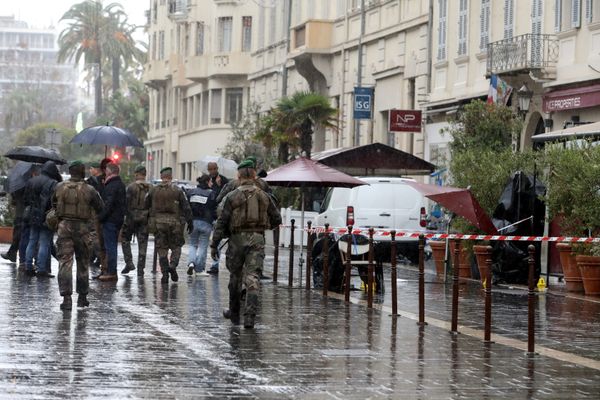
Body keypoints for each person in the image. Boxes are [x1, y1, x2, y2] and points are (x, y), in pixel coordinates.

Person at [210, 160, 282, 329]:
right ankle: (249, 316)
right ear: (254, 175)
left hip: (236, 240)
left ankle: (234, 313)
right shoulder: (264, 196)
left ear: (239, 176)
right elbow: (277, 219)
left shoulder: (232, 195)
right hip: (257, 239)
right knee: (253, 277)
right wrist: (261, 228)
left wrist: (215, 244)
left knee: (235, 277)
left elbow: (222, 221)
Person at [52, 160, 104, 310]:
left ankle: (66, 298)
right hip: (83, 229)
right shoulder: (90, 189)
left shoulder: (59, 187)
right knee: (83, 264)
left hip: (64, 228)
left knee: (65, 263)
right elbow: (100, 207)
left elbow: (53, 205)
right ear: (82, 172)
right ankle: (82, 298)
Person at [145, 167, 193, 284]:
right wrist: (190, 222)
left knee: (162, 249)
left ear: (162, 177)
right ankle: (173, 265)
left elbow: (146, 204)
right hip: (175, 224)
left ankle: (165, 273)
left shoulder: (154, 190)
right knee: (176, 247)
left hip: (158, 223)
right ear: (171, 177)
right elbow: (186, 207)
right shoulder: (177, 190)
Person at [24, 161, 62, 277]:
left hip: (33, 216)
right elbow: (56, 202)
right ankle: (41, 269)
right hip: (47, 217)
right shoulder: (54, 183)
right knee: (44, 243)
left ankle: (28, 267)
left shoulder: (31, 181)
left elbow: (26, 199)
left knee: (32, 241)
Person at [96, 162, 126, 282]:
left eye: (106, 170)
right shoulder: (118, 184)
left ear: (109, 171)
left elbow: (108, 204)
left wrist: (101, 217)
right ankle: (107, 270)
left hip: (110, 220)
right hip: (116, 219)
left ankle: (111, 272)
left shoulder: (112, 186)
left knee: (110, 246)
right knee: (110, 246)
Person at [121, 165, 151, 276]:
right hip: (145, 218)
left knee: (125, 239)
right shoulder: (151, 188)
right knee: (143, 243)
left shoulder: (130, 187)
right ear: (145, 174)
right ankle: (140, 268)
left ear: (137, 174)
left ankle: (129, 262)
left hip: (131, 217)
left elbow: (125, 203)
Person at [186, 174, 217, 276]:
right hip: (206, 223)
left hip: (193, 222)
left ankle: (191, 262)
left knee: (192, 244)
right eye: (211, 181)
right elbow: (214, 209)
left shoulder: (191, 192)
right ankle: (199, 269)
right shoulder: (211, 194)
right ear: (207, 182)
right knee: (203, 246)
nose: (212, 183)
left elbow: (187, 207)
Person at [86, 160, 107, 275]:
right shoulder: (105, 180)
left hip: (94, 212)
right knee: (97, 235)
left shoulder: (92, 182)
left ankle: (101, 258)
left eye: (91, 168)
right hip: (103, 212)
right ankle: (96, 258)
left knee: (94, 236)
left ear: (96, 169)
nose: (90, 170)